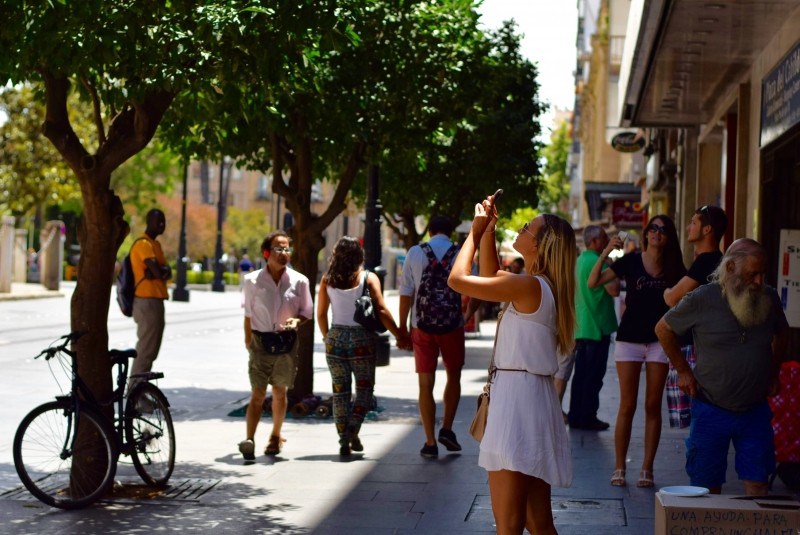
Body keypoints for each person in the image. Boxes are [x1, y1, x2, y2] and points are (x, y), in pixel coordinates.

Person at [448, 195, 575, 535]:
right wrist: (489, 230)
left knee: (509, 526)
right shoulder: (540, 286)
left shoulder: (529, 285)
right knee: (538, 522)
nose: (520, 229)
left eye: (527, 228)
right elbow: (492, 278)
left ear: (540, 244)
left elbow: (457, 281)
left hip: (516, 402)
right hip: (533, 398)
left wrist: (473, 235)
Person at [656, 239, 789, 495]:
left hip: (755, 410)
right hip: (710, 408)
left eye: (763, 273)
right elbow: (663, 329)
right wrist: (683, 371)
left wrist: (773, 372)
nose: (760, 281)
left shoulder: (768, 297)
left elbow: (782, 334)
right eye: (752, 274)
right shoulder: (703, 298)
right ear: (730, 269)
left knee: (758, 484)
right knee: (706, 488)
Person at [588, 214, 686, 488]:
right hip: (629, 339)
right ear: (645, 234)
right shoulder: (630, 261)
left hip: (660, 341)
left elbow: (689, 296)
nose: (657, 233)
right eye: (653, 228)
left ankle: (647, 468)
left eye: (663, 230)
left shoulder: (675, 267)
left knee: (653, 405)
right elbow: (593, 281)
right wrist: (606, 251)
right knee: (627, 405)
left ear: (668, 237)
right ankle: (619, 467)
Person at [316, 237, 409, 456]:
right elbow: (382, 310)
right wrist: (399, 335)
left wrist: (327, 337)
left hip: (335, 338)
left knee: (340, 392)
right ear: (359, 255)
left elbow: (320, 314)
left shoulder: (327, 279)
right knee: (364, 390)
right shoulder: (368, 278)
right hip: (362, 341)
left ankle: (344, 438)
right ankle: (352, 430)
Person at [239, 230, 313, 461]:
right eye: (279, 249)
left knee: (279, 392)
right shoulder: (252, 281)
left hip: (286, 343)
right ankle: (249, 439)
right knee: (257, 394)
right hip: (260, 343)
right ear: (266, 253)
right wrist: (248, 341)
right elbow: (248, 315)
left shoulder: (300, 281)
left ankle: (275, 436)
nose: (284, 253)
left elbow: (307, 312)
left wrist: (297, 321)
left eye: (287, 249)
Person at [399, 215, 465, 458]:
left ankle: (429, 442)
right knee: (454, 376)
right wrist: (467, 313)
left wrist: (403, 327)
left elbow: (406, 291)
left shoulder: (415, 252)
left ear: (430, 231)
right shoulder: (461, 253)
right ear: (450, 231)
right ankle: (447, 428)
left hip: (422, 326)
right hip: (453, 326)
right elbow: (474, 289)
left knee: (425, 384)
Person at [567, 225, 620, 431]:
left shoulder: (579, 261)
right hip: (597, 327)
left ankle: (575, 415)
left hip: (582, 326)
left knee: (580, 375)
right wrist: (611, 264)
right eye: (605, 238)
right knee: (593, 377)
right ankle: (588, 416)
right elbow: (614, 290)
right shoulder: (599, 263)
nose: (607, 241)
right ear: (596, 241)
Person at [129, 209, 171, 382]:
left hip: (156, 300)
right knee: (146, 350)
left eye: (163, 221)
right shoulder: (143, 244)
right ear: (148, 222)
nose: (161, 225)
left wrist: (160, 271)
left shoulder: (156, 246)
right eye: (157, 221)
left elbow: (166, 272)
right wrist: (160, 271)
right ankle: (135, 393)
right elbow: (160, 272)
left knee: (151, 350)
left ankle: (139, 391)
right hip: (146, 301)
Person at [663, 205, 727, 307]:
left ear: (707, 229)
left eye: (693, 223)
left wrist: (665, 290)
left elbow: (672, 298)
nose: (688, 228)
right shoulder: (718, 259)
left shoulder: (705, 261)